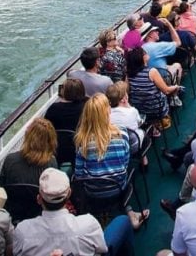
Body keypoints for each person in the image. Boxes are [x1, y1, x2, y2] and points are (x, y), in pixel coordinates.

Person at [11, 167, 134, 256]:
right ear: (69, 194)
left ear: (39, 199)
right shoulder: (88, 223)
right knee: (122, 221)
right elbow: (101, 249)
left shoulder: (22, 232)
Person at [72, 94, 150, 230]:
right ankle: (129, 213)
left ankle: (104, 218)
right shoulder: (122, 134)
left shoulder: (81, 142)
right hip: (118, 188)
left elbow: (79, 174)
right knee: (125, 173)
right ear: (107, 112)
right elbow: (125, 162)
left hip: (92, 192)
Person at [124, 47, 178, 128]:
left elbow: (128, 92)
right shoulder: (152, 72)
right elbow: (166, 91)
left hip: (139, 109)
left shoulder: (128, 75)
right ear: (142, 58)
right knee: (173, 89)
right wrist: (176, 87)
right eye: (144, 53)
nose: (146, 54)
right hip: (156, 110)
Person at [1, 118, 60, 187]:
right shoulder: (51, 163)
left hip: (14, 197)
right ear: (50, 141)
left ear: (27, 137)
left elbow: (2, 183)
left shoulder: (10, 159)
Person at [44, 78, 88, 165]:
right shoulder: (86, 108)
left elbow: (45, 128)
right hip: (80, 149)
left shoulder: (53, 109)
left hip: (57, 151)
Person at [106, 82, 144, 155]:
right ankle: (144, 161)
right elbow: (139, 122)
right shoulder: (132, 111)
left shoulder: (106, 114)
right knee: (142, 132)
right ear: (123, 99)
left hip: (113, 147)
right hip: (131, 146)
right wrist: (129, 107)